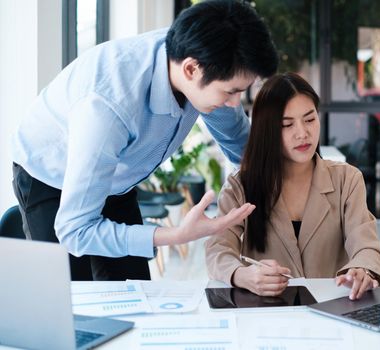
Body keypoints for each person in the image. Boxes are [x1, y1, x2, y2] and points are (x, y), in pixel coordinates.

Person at [11, 0, 278, 281]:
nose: (234, 103)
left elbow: (239, 141)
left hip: (118, 178)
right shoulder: (109, 106)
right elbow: (75, 230)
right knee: (71, 300)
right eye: (230, 92)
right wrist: (176, 234)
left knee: (132, 294)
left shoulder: (204, 56)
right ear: (191, 70)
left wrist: (278, 178)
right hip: (51, 176)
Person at [205, 72, 380, 300]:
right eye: (287, 124)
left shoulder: (347, 179)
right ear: (267, 131)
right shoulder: (241, 185)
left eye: (310, 119)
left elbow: (366, 245)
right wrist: (242, 275)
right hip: (267, 313)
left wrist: (363, 270)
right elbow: (218, 249)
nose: (303, 133)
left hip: (334, 310)